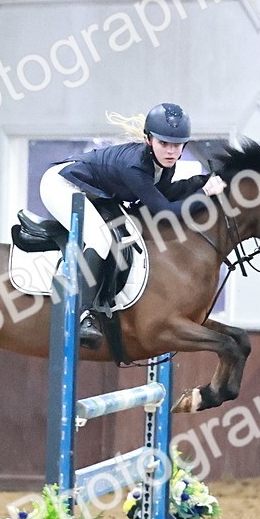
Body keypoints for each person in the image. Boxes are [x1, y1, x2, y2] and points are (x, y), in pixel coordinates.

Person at [39, 103, 226, 347]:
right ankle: (82, 314)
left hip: (91, 191)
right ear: (149, 140)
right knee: (101, 239)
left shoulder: (163, 164)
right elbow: (165, 211)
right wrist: (204, 192)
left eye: (177, 145)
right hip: (62, 185)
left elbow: (163, 194)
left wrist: (201, 181)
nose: (171, 151)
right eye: (164, 143)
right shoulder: (135, 165)